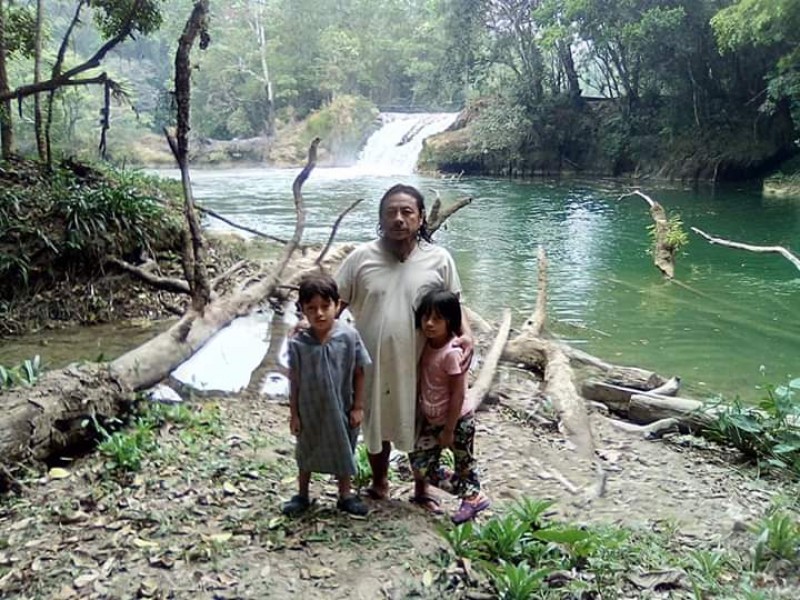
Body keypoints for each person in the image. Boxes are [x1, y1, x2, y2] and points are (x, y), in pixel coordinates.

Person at [335, 183, 472, 500]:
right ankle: (379, 483)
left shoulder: (438, 259)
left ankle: (422, 490)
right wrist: (311, 329)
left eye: (407, 211)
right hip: (373, 360)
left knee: (422, 423)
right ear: (380, 219)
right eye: (390, 212)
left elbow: (454, 303)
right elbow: (335, 302)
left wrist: (467, 334)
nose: (398, 218)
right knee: (376, 420)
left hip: (424, 360)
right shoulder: (360, 258)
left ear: (422, 217)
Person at [282, 273, 371, 517]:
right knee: (306, 449)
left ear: (338, 305)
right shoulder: (299, 342)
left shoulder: (349, 336)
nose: (319, 313)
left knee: (344, 446)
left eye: (325, 306)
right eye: (312, 308)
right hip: (310, 407)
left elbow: (360, 371)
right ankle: (302, 494)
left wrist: (358, 406)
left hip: (342, 404)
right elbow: (294, 379)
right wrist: (294, 414)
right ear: (302, 310)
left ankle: (345, 494)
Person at [409, 287, 490, 524]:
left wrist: (449, 429)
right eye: (426, 317)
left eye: (437, 319)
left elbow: (457, 393)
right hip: (433, 420)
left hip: (457, 421)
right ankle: (473, 494)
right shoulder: (426, 345)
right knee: (420, 464)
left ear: (451, 321)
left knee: (464, 463)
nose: (430, 324)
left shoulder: (452, 352)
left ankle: (471, 498)